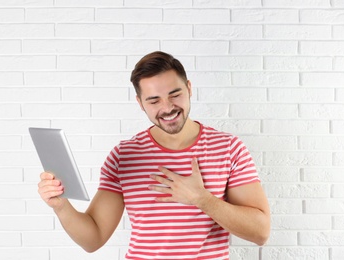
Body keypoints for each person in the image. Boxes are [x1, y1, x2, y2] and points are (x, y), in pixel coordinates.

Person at [38, 51, 270, 259]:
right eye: (154, 100)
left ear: (189, 88)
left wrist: (202, 199)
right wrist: (61, 206)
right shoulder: (123, 156)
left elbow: (260, 233)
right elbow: (94, 238)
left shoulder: (228, 148)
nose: (167, 107)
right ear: (140, 103)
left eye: (175, 94)